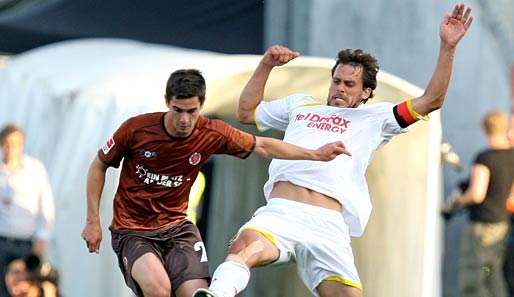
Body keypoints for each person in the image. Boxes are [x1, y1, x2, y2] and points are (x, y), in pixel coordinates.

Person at [193, 4, 473, 297]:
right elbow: (246, 112)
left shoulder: (376, 118)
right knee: (245, 245)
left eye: (350, 84)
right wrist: (266, 65)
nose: (340, 88)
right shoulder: (300, 105)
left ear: (366, 92)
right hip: (282, 212)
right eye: (336, 81)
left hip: (328, 225)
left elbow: (431, 100)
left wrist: (447, 47)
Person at [80, 69, 348, 297]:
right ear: (166, 102)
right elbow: (99, 165)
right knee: (159, 289)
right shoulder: (137, 129)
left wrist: (315, 154)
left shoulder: (211, 133)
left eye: (192, 111)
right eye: (177, 110)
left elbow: (263, 145)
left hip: (177, 229)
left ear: (202, 105)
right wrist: (93, 221)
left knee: (196, 293)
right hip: (133, 230)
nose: (184, 120)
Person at [450, 111, 514, 297]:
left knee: (473, 275)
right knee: (492, 273)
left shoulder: (485, 158)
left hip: (482, 227)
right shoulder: (512, 155)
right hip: (501, 225)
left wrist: (458, 200)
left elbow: (477, 195)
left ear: (485, 129)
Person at [0, 124, 55, 297]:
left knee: (26, 290)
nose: (12, 149)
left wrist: (42, 238)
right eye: (7, 144)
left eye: (16, 144)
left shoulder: (34, 169)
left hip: (26, 245)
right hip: (1, 242)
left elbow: (47, 206)